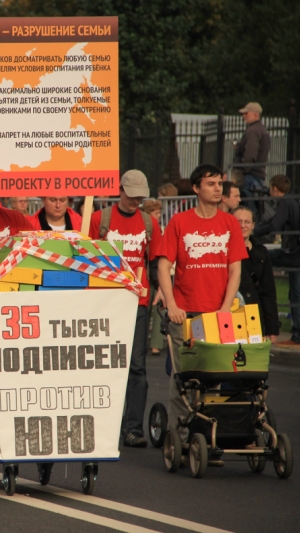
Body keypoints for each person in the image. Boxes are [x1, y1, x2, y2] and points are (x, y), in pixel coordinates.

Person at [158, 164, 247, 443]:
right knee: (184, 377)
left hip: (217, 313)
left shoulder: (230, 223)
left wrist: (225, 307)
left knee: (214, 377)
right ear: (196, 189)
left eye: (220, 183)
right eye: (211, 184)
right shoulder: (180, 222)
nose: (218, 188)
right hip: (185, 313)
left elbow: (235, 270)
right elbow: (163, 267)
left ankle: (206, 438)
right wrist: (171, 304)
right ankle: (181, 439)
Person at [88, 170, 162, 448]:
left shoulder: (149, 223)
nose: (135, 201)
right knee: (102, 364)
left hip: (137, 302)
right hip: (104, 302)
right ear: (121, 191)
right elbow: (86, 257)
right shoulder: (100, 219)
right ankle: (101, 425)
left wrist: (161, 292)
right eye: (132, 196)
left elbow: (155, 262)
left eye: (140, 197)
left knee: (137, 367)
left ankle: (133, 428)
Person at [253, 174, 300, 348]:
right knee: (296, 295)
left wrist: (255, 233)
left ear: (275, 189)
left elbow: (275, 224)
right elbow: (274, 221)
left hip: (292, 254)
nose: (270, 192)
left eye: (270, 188)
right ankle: (299, 335)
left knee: (260, 258)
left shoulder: (284, 202)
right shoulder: (293, 200)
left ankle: (296, 335)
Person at [233, 206, 279, 340]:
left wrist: (271, 328)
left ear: (253, 225)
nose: (242, 226)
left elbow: (268, 291)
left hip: (254, 314)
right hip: (232, 314)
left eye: (247, 222)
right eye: (238, 221)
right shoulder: (222, 251)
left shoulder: (261, 252)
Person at [141, 199, 166, 357]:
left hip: (157, 273)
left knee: (159, 310)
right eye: (156, 213)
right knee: (144, 311)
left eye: (159, 213)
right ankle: (142, 343)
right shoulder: (144, 228)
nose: (159, 216)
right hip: (145, 274)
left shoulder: (161, 229)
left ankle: (156, 344)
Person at [234, 102, 271, 203]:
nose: (243, 116)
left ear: (255, 114)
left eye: (246, 113)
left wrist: (240, 172)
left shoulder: (253, 131)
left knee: (246, 206)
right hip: (256, 176)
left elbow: (250, 155)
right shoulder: (261, 130)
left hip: (250, 176)